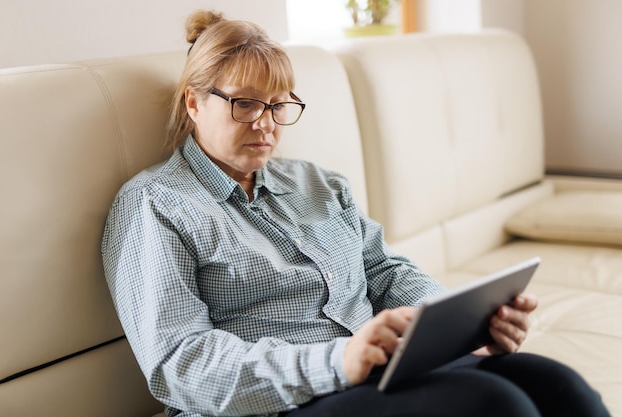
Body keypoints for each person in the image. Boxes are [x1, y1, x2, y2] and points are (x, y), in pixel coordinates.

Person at [101, 10, 612, 417]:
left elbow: (384, 271)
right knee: (495, 406)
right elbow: (180, 366)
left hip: (375, 374)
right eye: (246, 104)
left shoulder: (317, 184)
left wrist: (460, 324)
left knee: (555, 383)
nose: (266, 124)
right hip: (275, 404)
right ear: (194, 103)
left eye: (279, 106)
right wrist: (337, 361)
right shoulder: (155, 205)